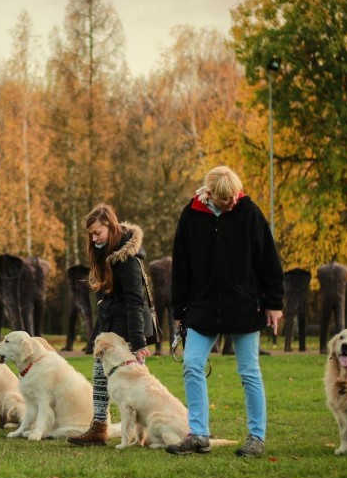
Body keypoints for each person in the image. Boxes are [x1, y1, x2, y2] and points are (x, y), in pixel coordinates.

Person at [165, 166, 284, 457]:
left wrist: (274, 304)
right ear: (209, 194)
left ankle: (256, 437)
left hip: (243, 305)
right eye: (225, 199)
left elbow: (269, 259)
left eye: (234, 197)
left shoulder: (249, 212)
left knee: (249, 371)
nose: (232, 202)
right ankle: (199, 434)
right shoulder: (191, 215)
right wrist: (179, 309)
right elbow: (181, 265)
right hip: (203, 307)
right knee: (192, 363)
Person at [67, 204, 153, 446]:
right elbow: (105, 294)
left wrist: (137, 343)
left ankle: (142, 432)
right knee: (99, 375)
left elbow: (136, 302)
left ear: (111, 226)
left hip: (128, 330)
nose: (94, 239)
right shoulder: (103, 253)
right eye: (91, 234)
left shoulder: (127, 260)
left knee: (134, 384)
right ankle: (99, 426)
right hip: (110, 327)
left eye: (98, 233)